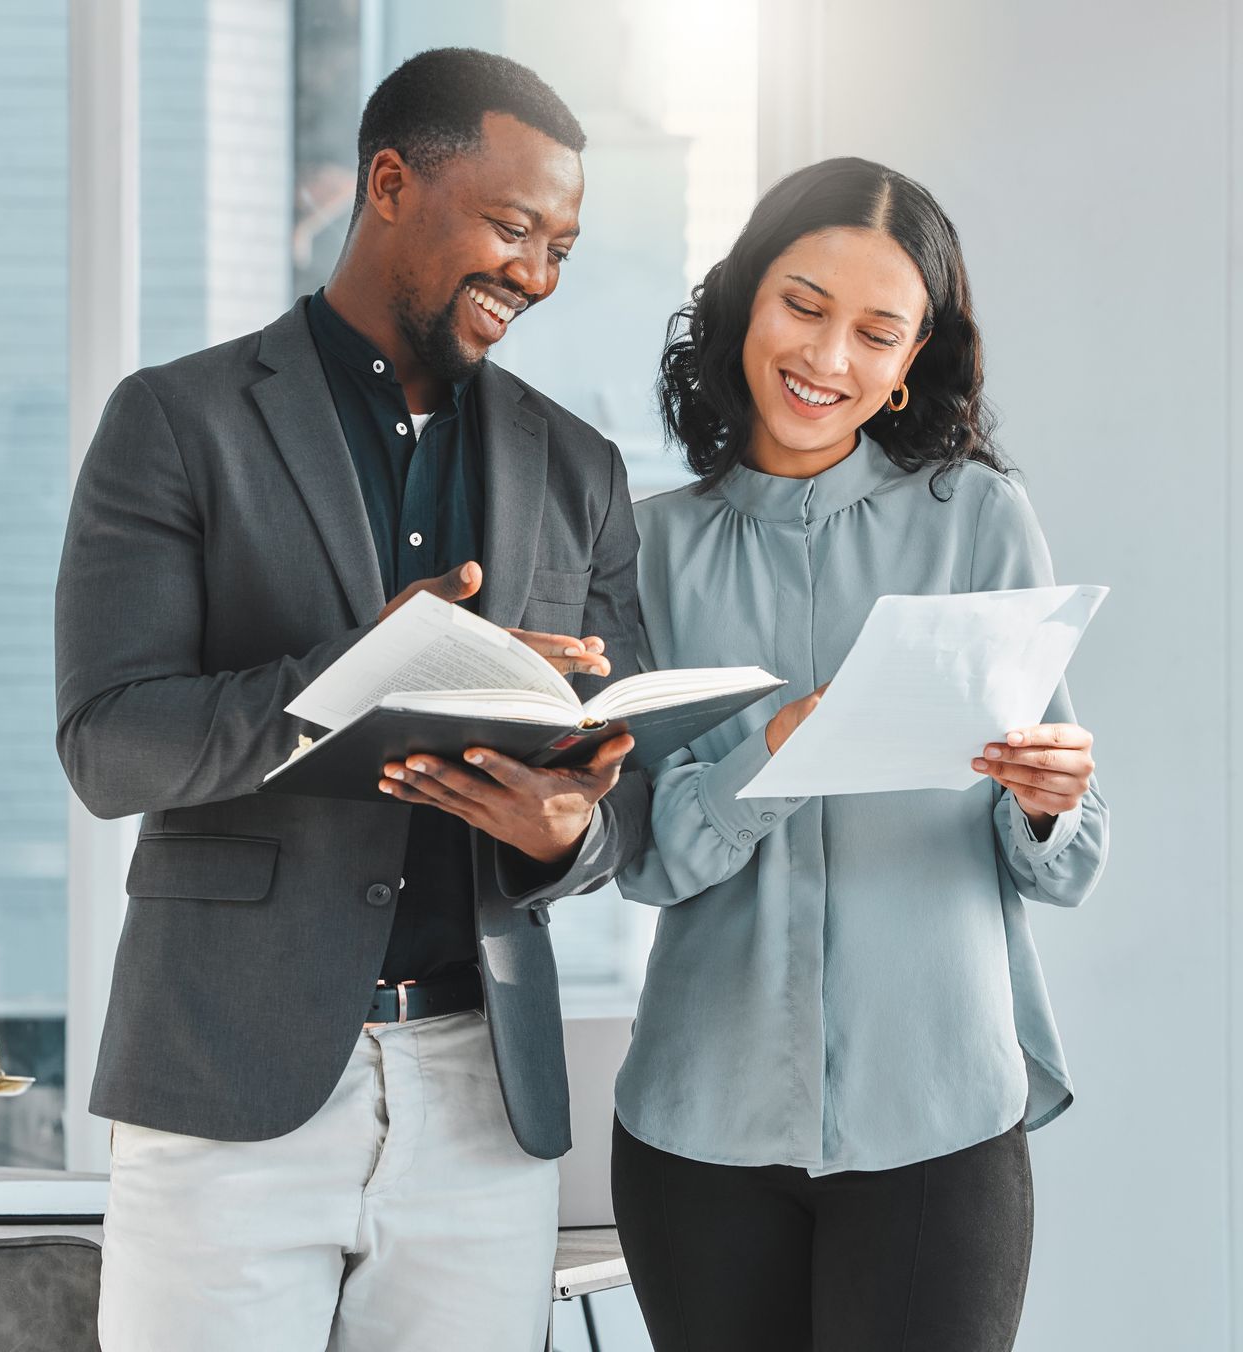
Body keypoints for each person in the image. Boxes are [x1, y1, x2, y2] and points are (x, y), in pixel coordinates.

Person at [55, 47, 651, 1352]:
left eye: (561, 243)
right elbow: (108, 745)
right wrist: (349, 679)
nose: (537, 274)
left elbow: (631, 798)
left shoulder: (583, 470)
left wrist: (568, 831)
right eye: (511, 225)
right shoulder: (176, 421)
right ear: (389, 183)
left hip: (481, 1099)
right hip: (225, 1080)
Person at [605, 156, 1109, 1352]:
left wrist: (1049, 799)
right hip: (697, 1130)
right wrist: (769, 753)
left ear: (905, 368)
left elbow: (1065, 862)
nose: (829, 358)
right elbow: (640, 859)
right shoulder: (645, 547)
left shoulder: (981, 518)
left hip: (939, 1121)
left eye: (877, 333)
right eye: (804, 305)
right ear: (741, 306)